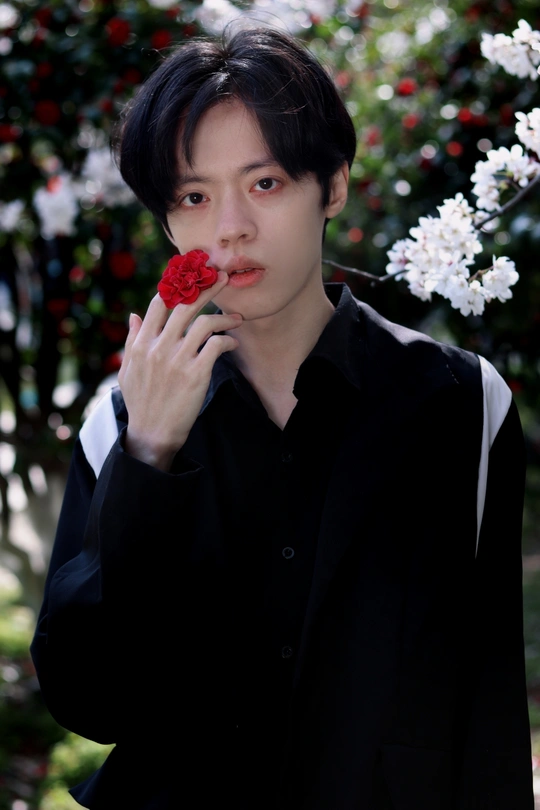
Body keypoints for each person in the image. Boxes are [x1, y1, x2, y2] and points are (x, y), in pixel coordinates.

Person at [30, 23, 534, 810]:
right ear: (168, 221)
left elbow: (488, 704)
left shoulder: (463, 405)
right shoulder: (123, 421)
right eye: (194, 196)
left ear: (331, 186)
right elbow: (89, 700)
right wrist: (149, 455)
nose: (229, 226)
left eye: (264, 183)